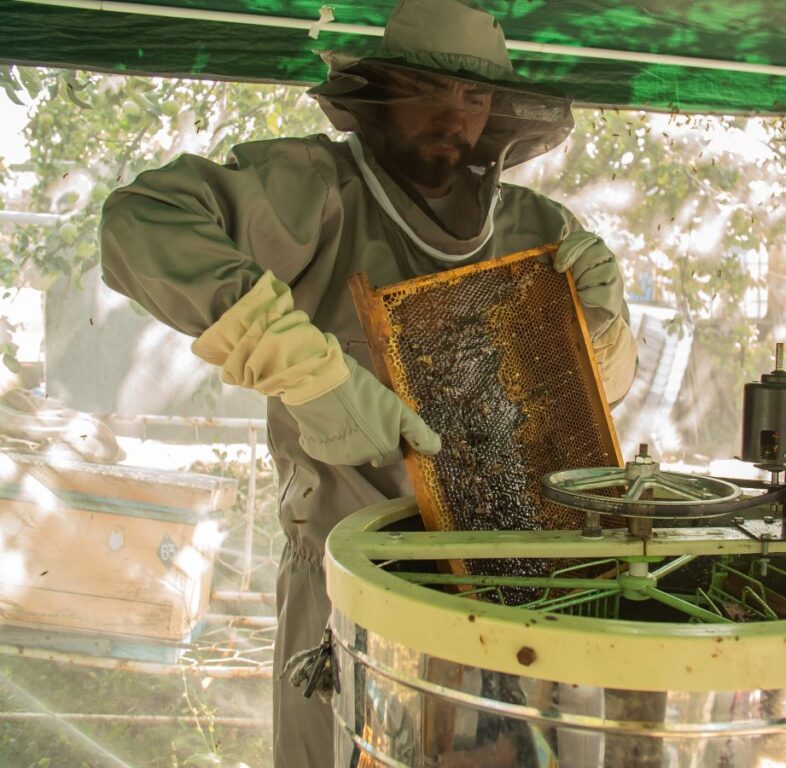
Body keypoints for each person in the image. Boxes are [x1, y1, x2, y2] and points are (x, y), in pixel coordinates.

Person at [99, 0, 637, 764]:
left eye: (476, 97)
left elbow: (597, 398)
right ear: (380, 92)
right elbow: (140, 223)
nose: (456, 114)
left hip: (519, 592)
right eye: (431, 89)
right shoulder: (316, 190)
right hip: (347, 581)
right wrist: (304, 368)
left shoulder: (539, 229)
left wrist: (604, 329)